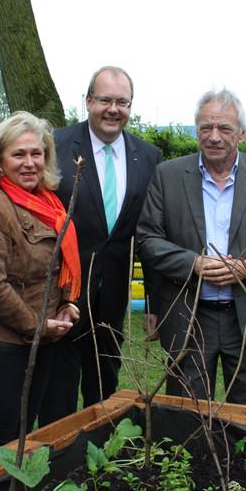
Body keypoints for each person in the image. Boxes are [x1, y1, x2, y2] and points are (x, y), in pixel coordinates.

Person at [137, 89, 246, 406]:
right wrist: (193, 264)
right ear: (196, 129)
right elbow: (147, 239)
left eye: (224, 128)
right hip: (190, 317)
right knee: (187, 419)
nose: (214, 137)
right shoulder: (168, 176)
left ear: (241, 133)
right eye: (205, 128)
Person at [39, 66, 162, 425]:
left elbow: (150, 235)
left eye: (122, 102)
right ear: (89, 101)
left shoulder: (148, 157)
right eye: (105, 99)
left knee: (105, 393)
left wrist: (153, 301)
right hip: (60, 294)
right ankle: (55, 464)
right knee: (57, 394)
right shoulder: (55, 146)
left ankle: (99, 463)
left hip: (113, 302)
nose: (113, 109)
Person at [0, 112, 82, 454]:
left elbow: (55, 268)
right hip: (2, 343)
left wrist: (65, 305)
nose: (30, 163)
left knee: (23, 435)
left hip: (41, 336)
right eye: (19, 154)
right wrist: (37, 325)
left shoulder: (48, 204)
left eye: (37, 153)